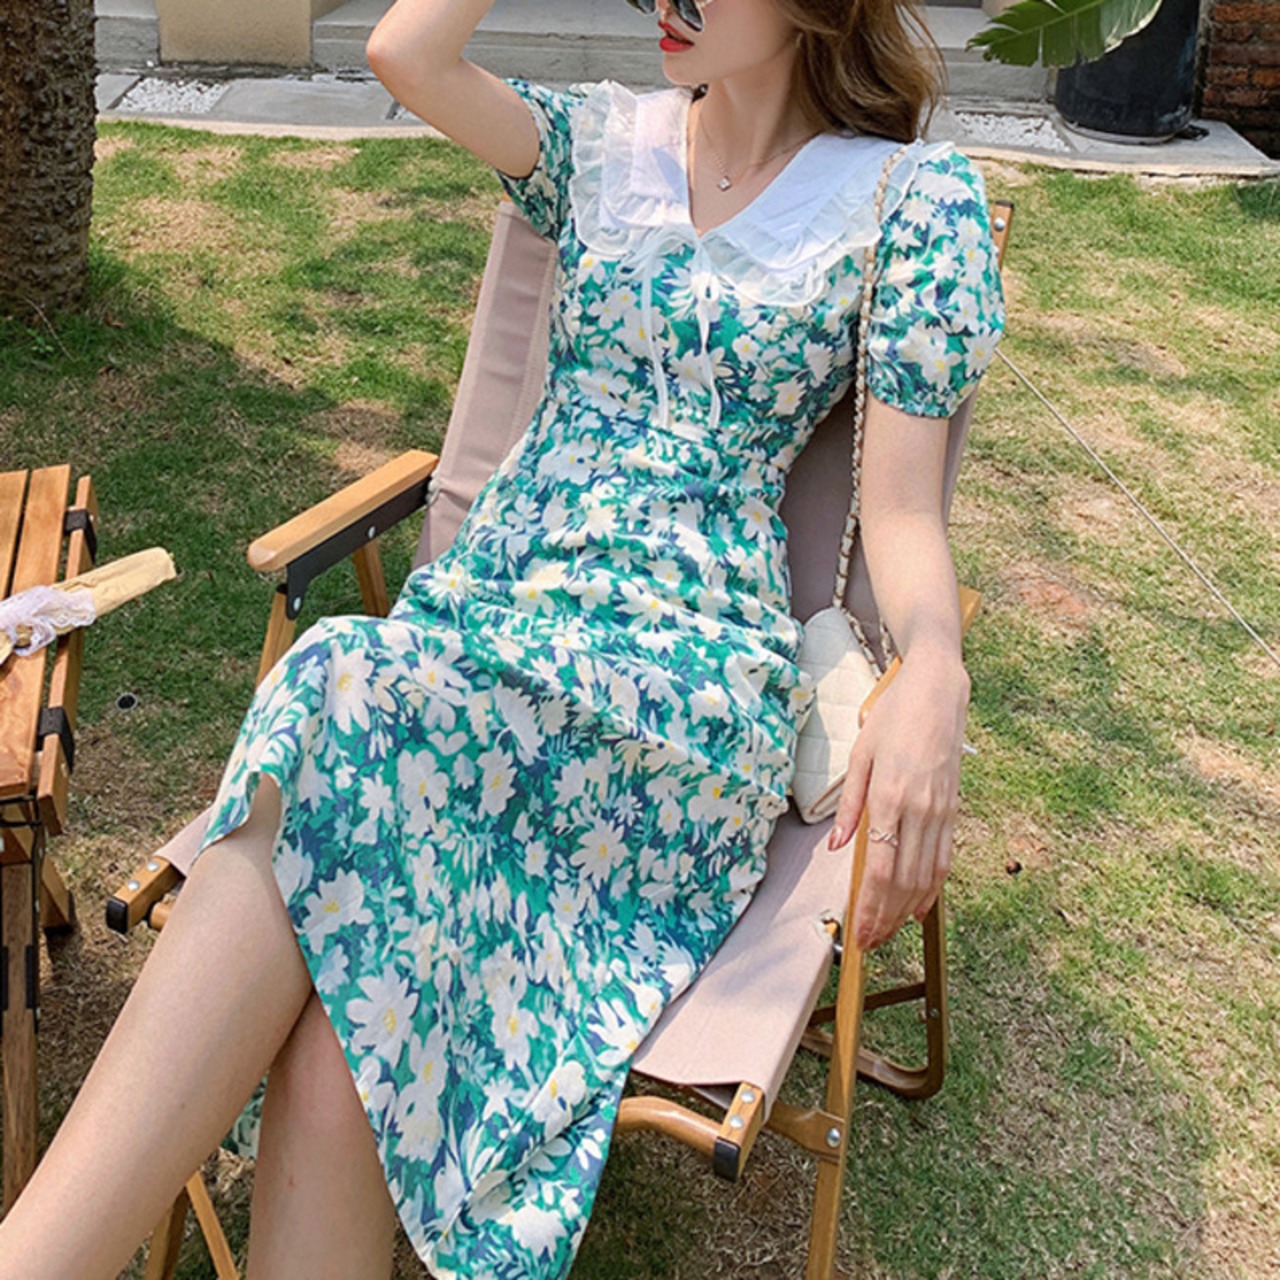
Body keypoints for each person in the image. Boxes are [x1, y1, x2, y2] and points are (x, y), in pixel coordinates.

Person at [0, 0, 1004, 1276]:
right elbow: (403, 54)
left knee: (340, 679)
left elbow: (900, 518)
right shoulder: (598, 146)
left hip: (672, 692)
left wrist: (935, 667)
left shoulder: (904, 203)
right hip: (485, 635)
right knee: (346, 1025)